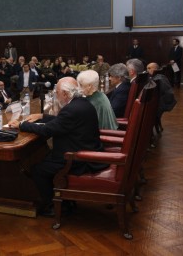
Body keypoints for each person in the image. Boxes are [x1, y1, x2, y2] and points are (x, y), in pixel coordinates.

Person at [8, 77, 108, 216]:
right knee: (44, 156)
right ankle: (62, 199)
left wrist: (21, 125)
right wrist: (42, 116)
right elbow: (62, 122)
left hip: (78, 159)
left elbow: (47, 130)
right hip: (84, 149)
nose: (56, 95)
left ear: (66, 94)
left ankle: (54, 206)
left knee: (38, 169)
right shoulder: (82, 103)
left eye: (57, 93)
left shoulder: (71, 109)